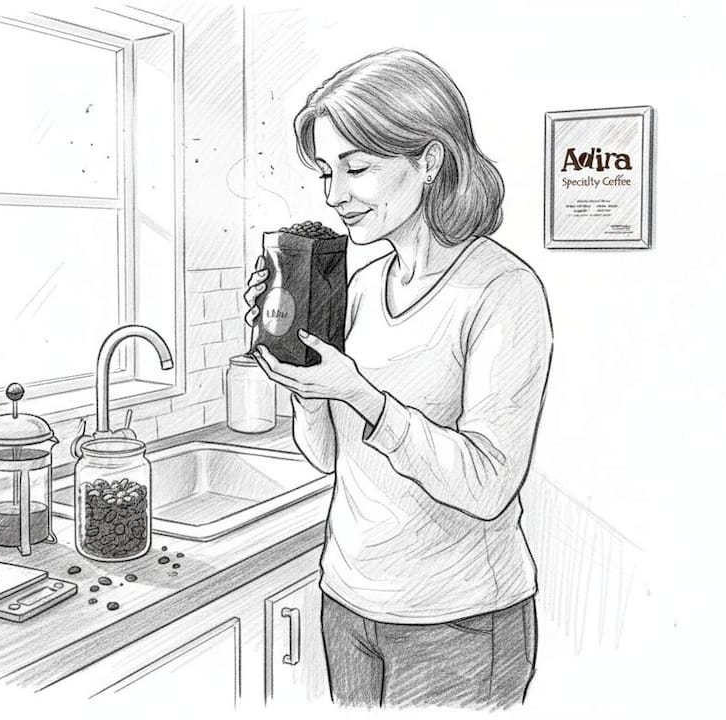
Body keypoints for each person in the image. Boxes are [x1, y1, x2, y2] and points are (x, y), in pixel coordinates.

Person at [243, 48, 554, 710]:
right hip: (349, 605)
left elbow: (489, 483)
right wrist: (306, 386)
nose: (334, 194)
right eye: (327, 171)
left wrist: (360, 394)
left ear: (431, 159)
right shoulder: (359, 288)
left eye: (356, 168)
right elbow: (331, 455)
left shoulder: (502, 290)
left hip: (462, 621)